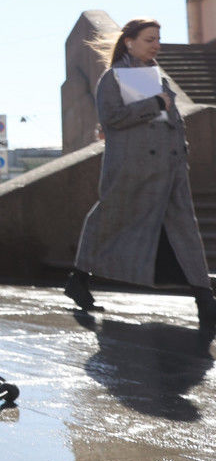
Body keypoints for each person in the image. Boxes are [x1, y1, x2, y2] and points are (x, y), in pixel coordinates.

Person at [65, 18, 216, 328]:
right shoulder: (113, 77)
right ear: (130, 41)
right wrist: (154, 103)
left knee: (186, 231)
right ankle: (78, 279)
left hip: (170, 168)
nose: (156, 45)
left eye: (158, 39)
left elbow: (169, 118)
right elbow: (112, 119)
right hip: (132, 169)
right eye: (150, 39)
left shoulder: (156, 77)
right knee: (108, 221)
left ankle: (205, 301)